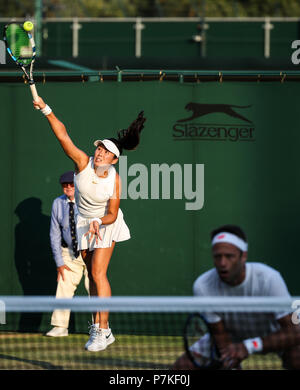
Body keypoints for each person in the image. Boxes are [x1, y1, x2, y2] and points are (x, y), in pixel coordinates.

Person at [33, 97, 146, 352]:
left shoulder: (114, 181)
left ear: (114, 160)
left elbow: (113, 214)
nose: (99, 153)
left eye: (106, 152)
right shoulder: (82, 163)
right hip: (84, 222)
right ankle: (102, 328)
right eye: (99, 149)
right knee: (93, 281)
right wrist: (46, 109)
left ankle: (101, 330)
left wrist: (98, 221)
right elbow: (63, 137)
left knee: (97, 272)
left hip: (106, 223)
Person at [173, 224, 300, 370]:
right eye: (217, 257)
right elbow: (220, 335)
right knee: (182, 368)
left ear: (243, 256)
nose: (222, 263)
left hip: (273, 333)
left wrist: (249, 346)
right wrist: (230, 360)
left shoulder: (268, 278)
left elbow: (295, 332)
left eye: (229, 256)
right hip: (230, 335)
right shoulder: (203, 286)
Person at [46, 170, 89, 337]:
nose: (69, 187)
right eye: (65, 185)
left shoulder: (87, 200)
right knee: (64, 285)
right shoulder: (58, 203)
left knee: (93, 287)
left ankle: (100, 327)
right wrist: (59, 263)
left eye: (72, 184)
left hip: (90, 252)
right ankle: (60, 327)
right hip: (69, 253)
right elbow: (54, 233)